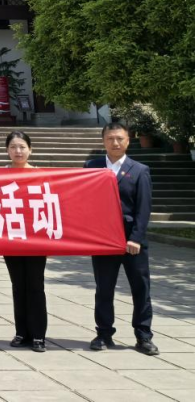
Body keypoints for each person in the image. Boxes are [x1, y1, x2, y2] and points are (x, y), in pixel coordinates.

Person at [85, 120, 158, 355]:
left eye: (119, 138)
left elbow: (143, 208)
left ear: (128, 141)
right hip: (103, 240)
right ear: (103, 141)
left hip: (132, 241)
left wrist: (135, 237)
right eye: (110, 138)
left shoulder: (139, 170)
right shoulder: (92, 166)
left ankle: (143, 336)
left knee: (140, 288)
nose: (115, 143)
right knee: (104, 288)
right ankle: (104, 333)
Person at [2, 130, 48, 353]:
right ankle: (21, 332)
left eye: (22, 147)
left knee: (35, 286)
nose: (18, 151)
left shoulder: (40, 175)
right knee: (18, 286)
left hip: (36, 240)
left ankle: (38, 335)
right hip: (11, 239)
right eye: (13, 147)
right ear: (7, 151)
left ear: (30, 150)